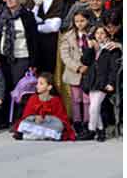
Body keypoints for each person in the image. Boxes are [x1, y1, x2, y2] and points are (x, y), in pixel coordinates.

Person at [0, 0, 38, 123]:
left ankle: (18, 119)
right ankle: (4, 118)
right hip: (4, 57)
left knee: (19, 89)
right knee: (4, 87)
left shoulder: (27, 16)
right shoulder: (1, 14)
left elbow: (34, 41)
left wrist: (34, 62)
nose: (9, 0)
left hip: (22, 56)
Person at [81, 25, 121, 142]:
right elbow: (85, 61)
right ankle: (101, 131)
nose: (99, 36)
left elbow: (114, 68)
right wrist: (89, 48)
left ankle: (91, 130)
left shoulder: (112, 49)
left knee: (93, 107)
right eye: (97, 34)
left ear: (107, 35)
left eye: (102, 33)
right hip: (92, 81)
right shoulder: (93, 47)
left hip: (103, 82)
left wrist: (111, 82)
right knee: (95, 106)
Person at [13, 73, 74, 141]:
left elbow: (62, 119)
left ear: (49, 87)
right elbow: (26, 116)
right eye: (37, 83)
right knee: (23, 123)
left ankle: (35, 135)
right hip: (36, 124)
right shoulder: (33, 98)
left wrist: (46, 118)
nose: (37, 86)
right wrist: (34, 117)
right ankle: (45, 135)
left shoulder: (56, 100)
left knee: (59, 125)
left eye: (41, 84)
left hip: (49, 125)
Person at [60, 10, 92, 138]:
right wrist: (77, 67)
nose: (79, 23)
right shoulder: (68, 36)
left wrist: (87, 67)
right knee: (76, 99)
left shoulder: (92, 34)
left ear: (88, 20)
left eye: (82, 21)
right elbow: (65, 56)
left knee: (87, 99)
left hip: (88, 71)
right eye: (77, 21)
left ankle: (88, 122)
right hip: (74, 72)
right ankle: (77, 122)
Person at [31, 0, 64, 74]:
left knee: (49, 69)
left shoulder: (57, 0)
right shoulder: (33, 0)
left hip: (51, 42)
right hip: (36, 42)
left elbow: (54, 26)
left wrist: (36, 27)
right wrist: (36, 6)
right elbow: (30, 19)